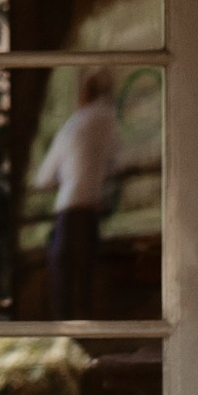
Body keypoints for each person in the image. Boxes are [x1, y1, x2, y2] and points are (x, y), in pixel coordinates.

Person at [33, 62, 120, 318]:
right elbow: (116, 163)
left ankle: (64, 339)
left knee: (62, 282)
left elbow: (44, 178)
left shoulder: (74, 125)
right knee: (85, 281)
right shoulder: (110, 120)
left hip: (69, 209)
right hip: (92, 210)